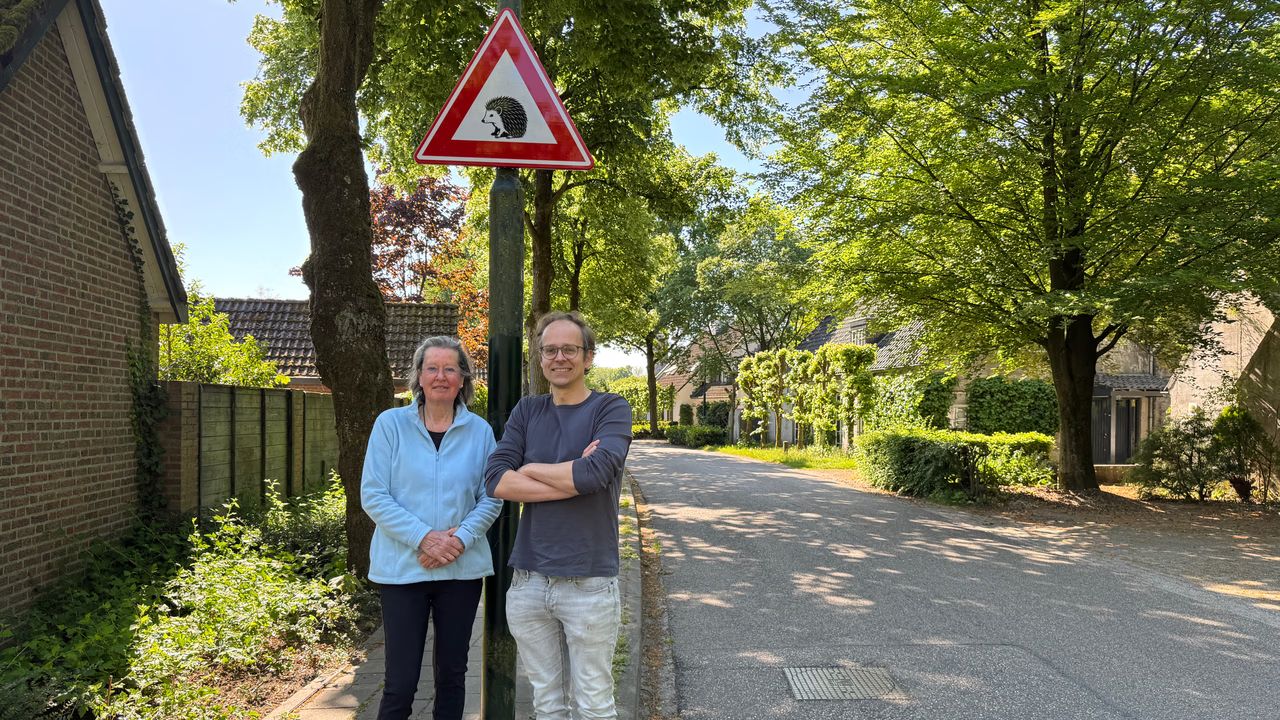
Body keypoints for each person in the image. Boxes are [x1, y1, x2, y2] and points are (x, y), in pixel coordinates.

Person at [484, 311, 633, 720]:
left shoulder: (611, 408)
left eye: (570, 349)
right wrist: (569, 476)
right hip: (529, 582)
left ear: (588, 357)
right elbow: (496, 480)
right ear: (540, 357)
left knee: (594, 703)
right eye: (550, 349)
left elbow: (597, 472)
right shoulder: (527, 411)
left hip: (589, 582)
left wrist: (529, 469)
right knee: (546, 704)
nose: (559, 357)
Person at [361, 336, 502, 720]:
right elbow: (373, 495)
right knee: (401, 681)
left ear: (462, 379)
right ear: (418, 378)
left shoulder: (481, 432)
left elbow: (491, 496)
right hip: (401, 569)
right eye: (432, 368)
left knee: (453, 675)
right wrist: (424, 537)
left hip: (461, 569)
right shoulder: (389, 425)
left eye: (450, 369)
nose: (440, 376)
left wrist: (458, 540)